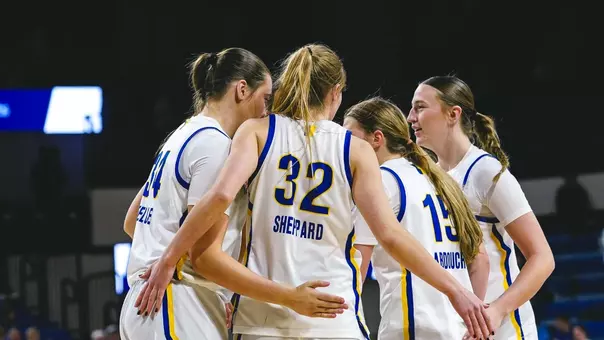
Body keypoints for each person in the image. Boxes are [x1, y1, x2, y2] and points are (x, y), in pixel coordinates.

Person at [137, 44, 493, 340]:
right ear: (336, 93)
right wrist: (455, 290)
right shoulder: (355, 150)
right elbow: (391, 234)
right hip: (334, 317)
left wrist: (170, 256)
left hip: (263, 319)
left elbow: (219, 197)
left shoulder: (255, 132)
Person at [120, 47, 347, 340]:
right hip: (174, 301)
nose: (267, 110)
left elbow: (131, 223)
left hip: (144, 304)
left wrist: (214, 288)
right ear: (242, 90)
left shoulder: (180, 135)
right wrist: (171, 264)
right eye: (265, 98)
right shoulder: (216, 145)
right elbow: (203, 251)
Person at [408, 75, 555, 339]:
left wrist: (497, 310)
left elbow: (543, 258)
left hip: (505, 329)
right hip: (460, 328)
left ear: (453, 114)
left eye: (419, 107)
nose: (410, 117)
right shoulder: (427, 178)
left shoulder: (485, 171)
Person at [343, 97, 490, 340]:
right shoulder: (439, 180)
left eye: (350, 137)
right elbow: (480, 260)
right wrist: (472, 315)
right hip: (459, 328)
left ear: (376, 139)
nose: (344, 146)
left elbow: (358, 266)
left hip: (413, 326)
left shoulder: (379, 181)